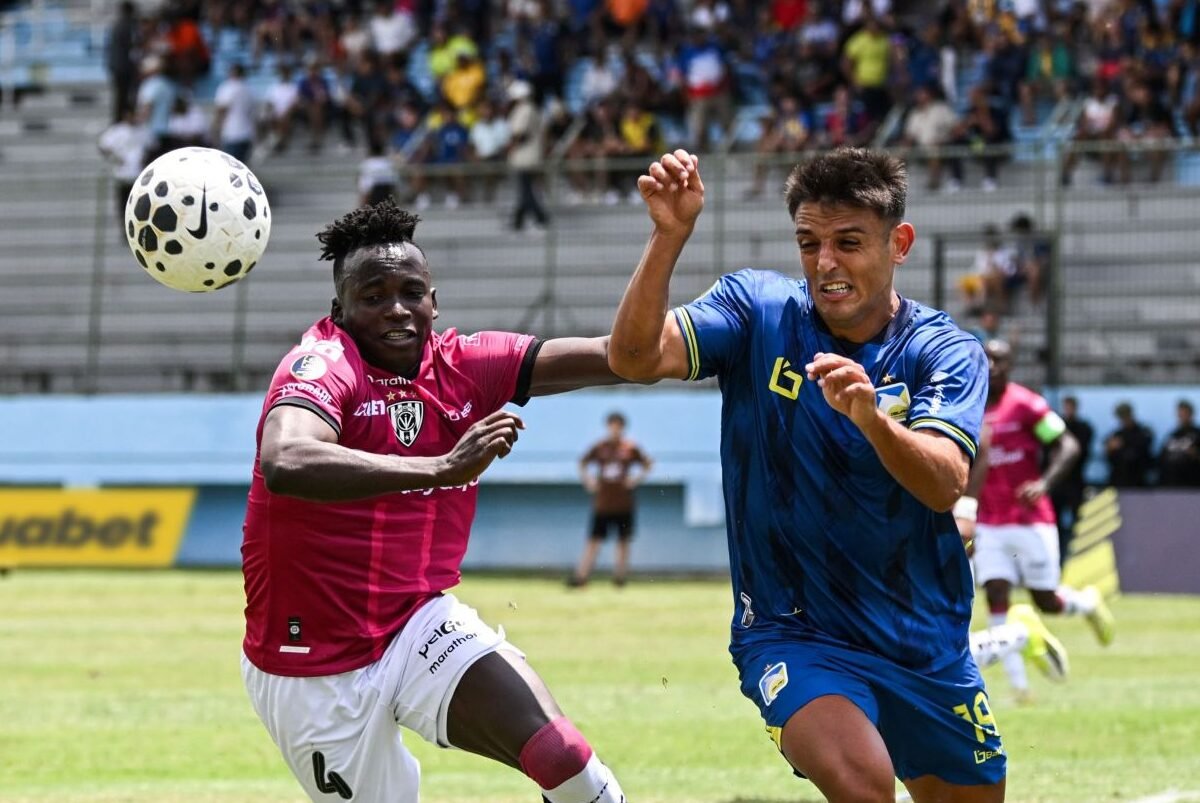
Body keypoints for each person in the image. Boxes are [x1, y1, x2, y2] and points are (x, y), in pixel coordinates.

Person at [610, 146, 1010, 801]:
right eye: (809, 243)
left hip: (922, 641)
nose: (825, 263)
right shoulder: (756, 310)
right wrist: (668, 236)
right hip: (792, 632)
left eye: (848, 242)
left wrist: (872, 420)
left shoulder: (944, 351)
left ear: (898, 243)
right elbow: (633, 357)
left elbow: (945, 483)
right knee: (864, 786)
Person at [240, 200, 627, 803]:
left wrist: (669, 237)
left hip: (416, 622)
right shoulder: (321, 365)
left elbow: (621, 355)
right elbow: (286, 459)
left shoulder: (464, 366)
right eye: (373, 296)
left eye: (411, 292)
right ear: (340, 311)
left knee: (563, 756)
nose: (396, 308)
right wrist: (442, 468)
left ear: (434, 301)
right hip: (313, 662)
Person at [970, 340, 1113, 701]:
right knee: (996, 593)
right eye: (986, 358)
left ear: (1011, 365)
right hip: (989, 521)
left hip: (1030, 519)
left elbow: (1068, 445)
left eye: (999, 359)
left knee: (1045, 601)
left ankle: (1087, 603)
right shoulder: (969, 404)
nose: (992, 365)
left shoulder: (1026, 405)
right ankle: (1019, 687)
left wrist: (1044, 483)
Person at [568, 412, 653, 588]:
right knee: (594, 541)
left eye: (618, 426)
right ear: (607, 427)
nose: (615, 430)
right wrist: (589, 481)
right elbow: (582, 463)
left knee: (623, 542)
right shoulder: (600, 447)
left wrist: (635, 479)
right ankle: (581, 577)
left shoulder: (630, 447)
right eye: (612, 426)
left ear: (623, 428)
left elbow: (648, 463)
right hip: (603, 503)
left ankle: (620, 578)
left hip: (623, 503)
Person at [1051, 395, 1094, 566]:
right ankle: (1056, 558)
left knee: (1078, 523)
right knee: (1056, 525)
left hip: (1075, 482)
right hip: (1057, 483)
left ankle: (1077, 559)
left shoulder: (1083, 428)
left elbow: (1081, 452)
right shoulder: (1057, 426)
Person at [507, 81, 549, 232]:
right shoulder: (533, 109)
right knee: (525, 188)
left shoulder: (524, 109)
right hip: (531, 153)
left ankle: (541, 218)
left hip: (524, 155)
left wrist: (510, 147)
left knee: (526, 189)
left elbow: (520, 133)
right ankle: (518, 221)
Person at [212, 62, 257, 164]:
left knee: (230, 167)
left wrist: (215, 130)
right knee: (243, 166)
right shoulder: (249, 89)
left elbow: (222, 110)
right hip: (247, 133)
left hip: (232, 133)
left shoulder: (227, 87)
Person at [1104, 401, 1155, 487]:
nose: (1124, 419)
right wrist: (1109, 448)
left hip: (1138, 480)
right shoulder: (1116, 434)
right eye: (1121, 416)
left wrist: (1122, 443)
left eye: (1125, 415)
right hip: (1118, 480)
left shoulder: (1144, 432)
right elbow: (1108, 453)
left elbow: (1141, 450)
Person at [1158, 400, 1200, 487]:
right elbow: (1162, 457)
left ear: (1191, 414)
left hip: (1192, 484)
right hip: (1170, 483)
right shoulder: (1172, 435)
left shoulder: (1197, 434)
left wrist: (1195, 453)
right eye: (1180, 414)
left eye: (1185, 413)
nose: (1182, 416)